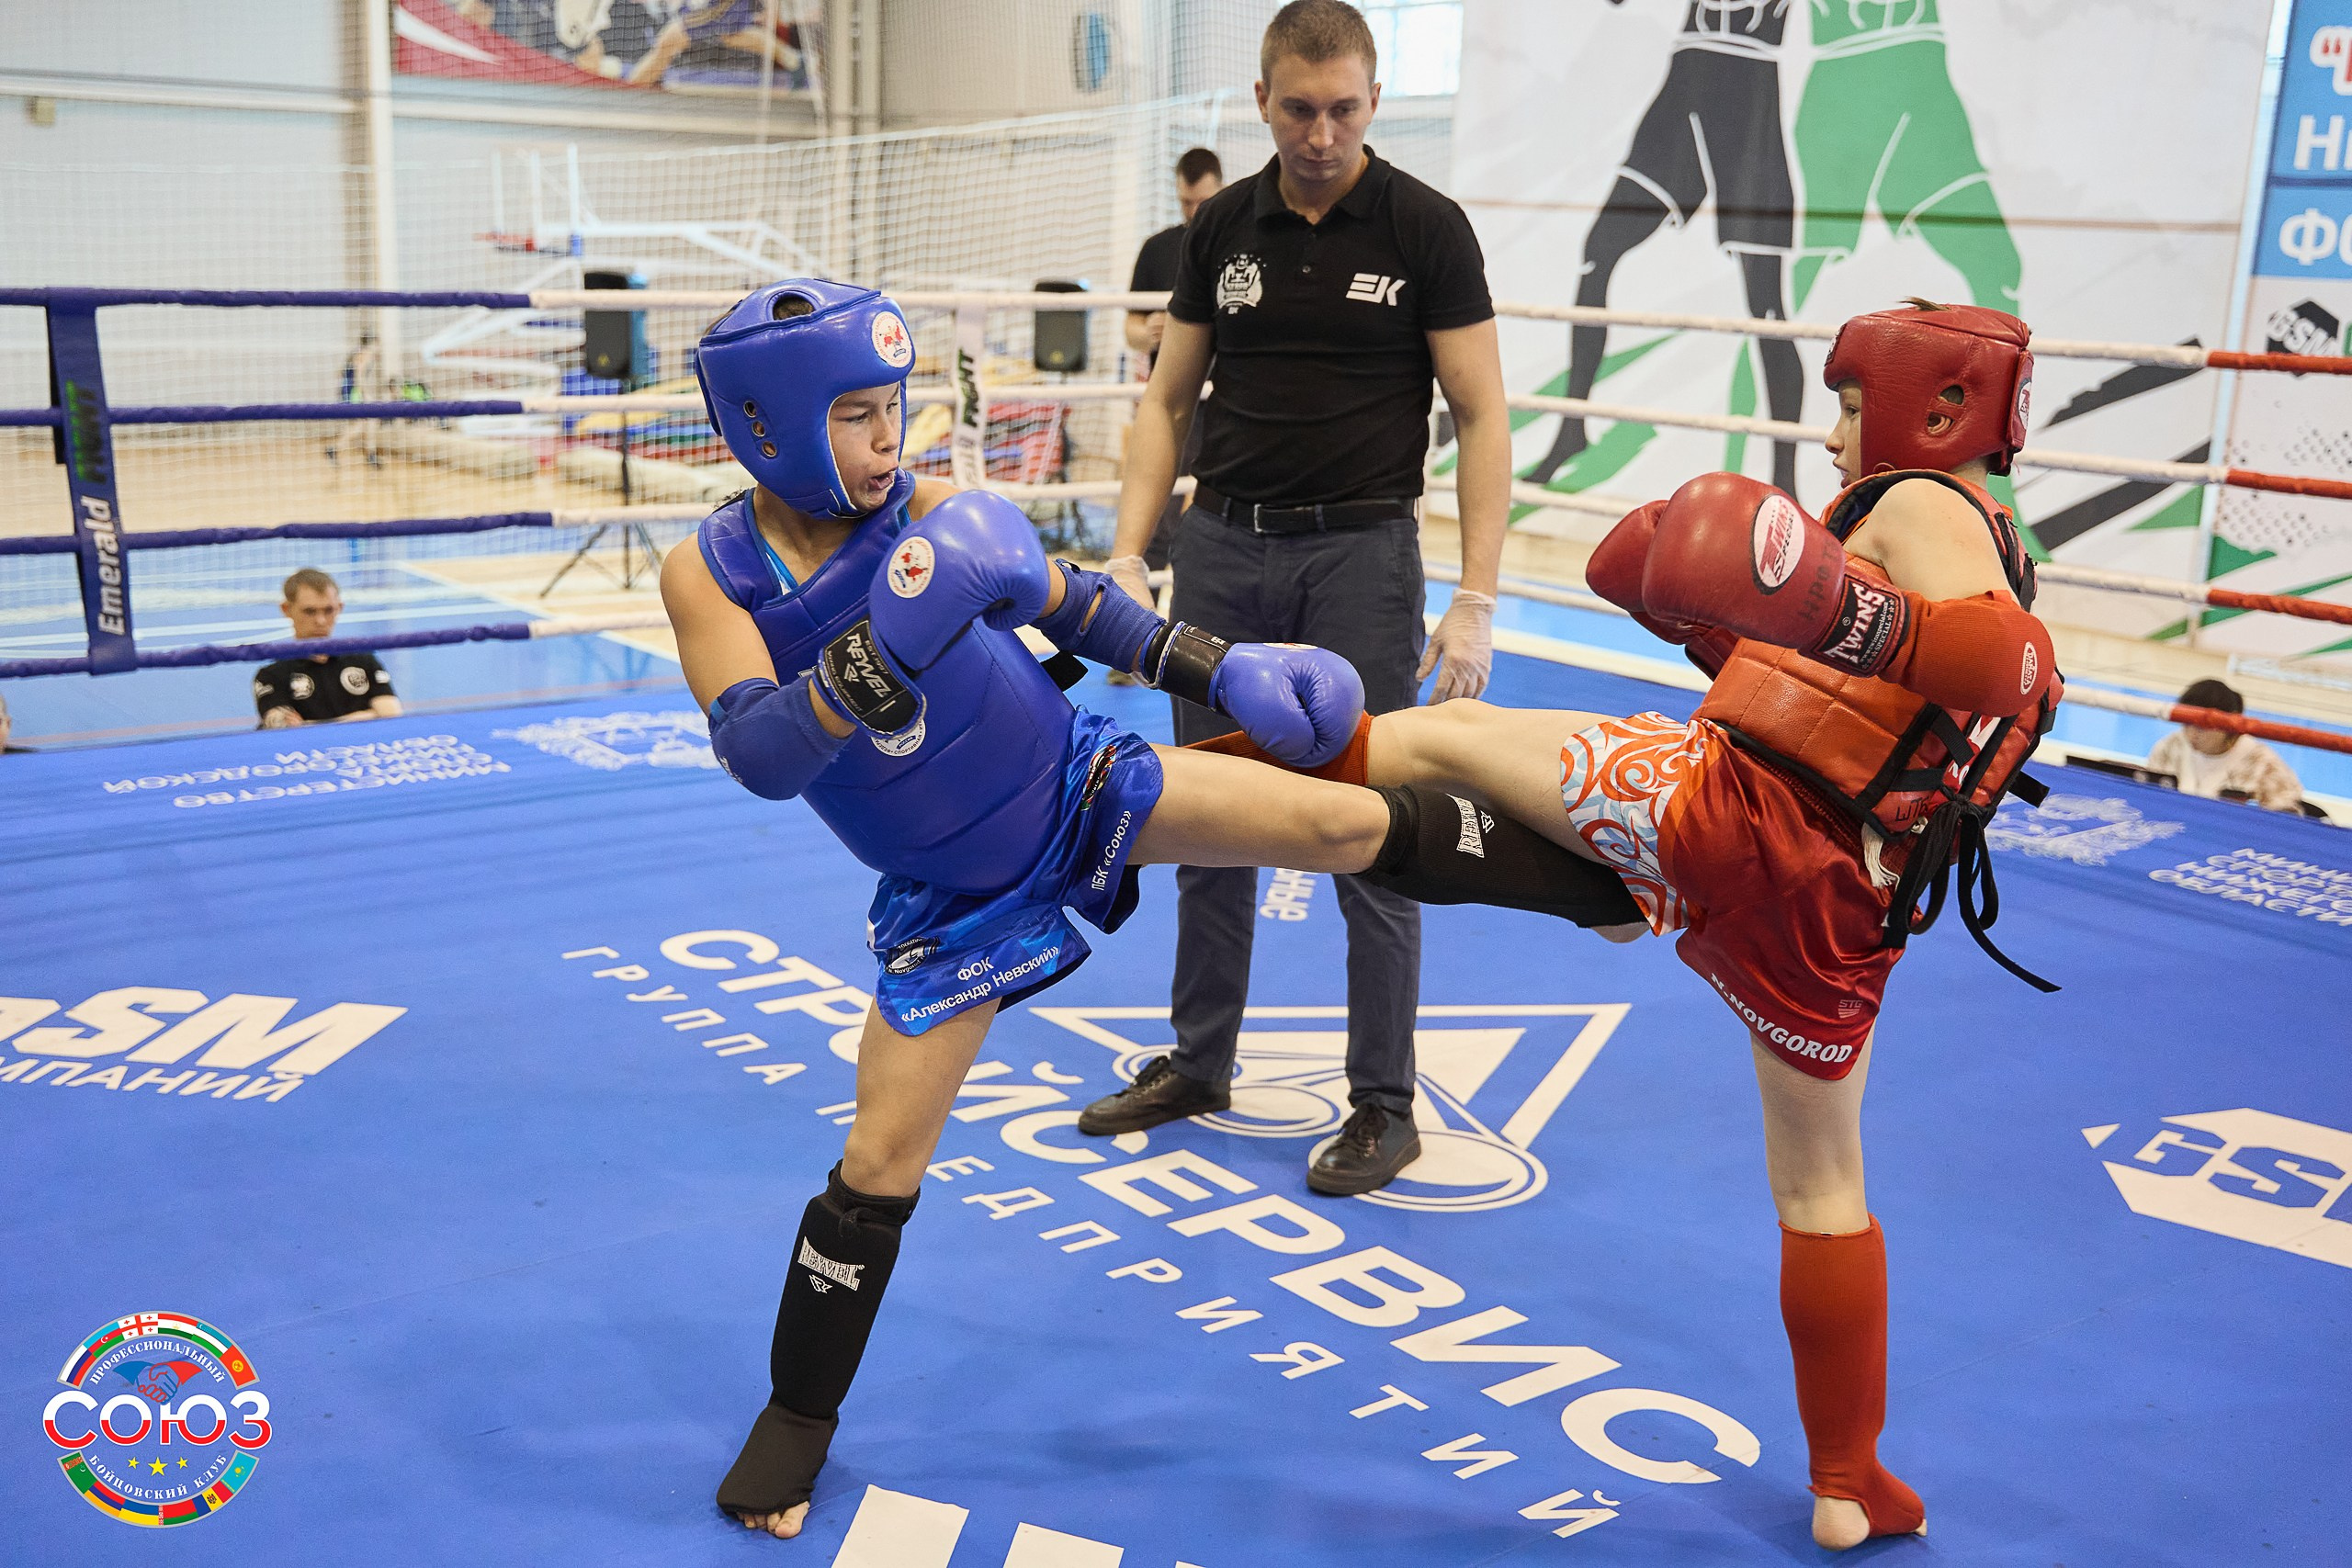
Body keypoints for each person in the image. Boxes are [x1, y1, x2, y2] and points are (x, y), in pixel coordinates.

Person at [662, 278, 1639, 1540]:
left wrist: (1221, 663)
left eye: (893, 408)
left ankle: (1601, 889)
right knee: (880, 1157)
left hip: (1078, 777)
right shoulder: (714, 573)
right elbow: (758, 753)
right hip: (954, 894)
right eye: (855, 415)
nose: (886, 439)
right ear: (768, 425)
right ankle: (798, 1415)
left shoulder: (943, 507)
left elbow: (1078, 607)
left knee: (1339, 820)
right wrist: (877, 651)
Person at [1211, 299, 2063, 1550]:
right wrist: (1715, 615)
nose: (1830, 438)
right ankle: (1847, 1477)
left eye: (1842, 403)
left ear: (1934, 412)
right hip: (1841, 903)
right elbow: (1876, 692)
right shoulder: (1990, 529)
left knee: (1432, 736)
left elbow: (2006, 659)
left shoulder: (1925, 502)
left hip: (1731, 812)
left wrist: (1849, 616)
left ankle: (1146, 797)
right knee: (1825, 1184)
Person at [1080, 0, 1513, 1197]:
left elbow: (1481, 412)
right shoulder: (1222, 225)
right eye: (1298, 110)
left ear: (1373, 101)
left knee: (1371, 824)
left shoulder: (1428, 228)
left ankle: (1385, 1101)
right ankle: (1200, 1059)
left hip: (1362, 559)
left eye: (1343, 110)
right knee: (1206, 811)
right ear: (1263, 103)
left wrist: (1475, 597)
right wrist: (1127, 557)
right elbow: (1168, 403)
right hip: (1222, 549)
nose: (1321, 133)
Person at [1527, 0, 1804, 496]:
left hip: (1748, 95)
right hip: (1683, 91)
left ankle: (1786, 480)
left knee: (1765, 304)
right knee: (1598, 252)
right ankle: (1572, 427)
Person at [1105, 144, 1225, 618]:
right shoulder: (1158, 248)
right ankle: (1136, 632)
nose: (1194, 214)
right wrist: (1149, 330)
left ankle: (1204, 632)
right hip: (1174, 398)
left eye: (1203, 204)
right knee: (1157, 515)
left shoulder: (1234, 242)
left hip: (1229, 398)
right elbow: (1131, 329)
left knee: (1214, 518)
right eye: (1186, 204)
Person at [253, 570, 402, 728]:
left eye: (329, 610)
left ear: (340, 608)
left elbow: (391, 715)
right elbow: (286, 730)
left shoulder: (364, 660)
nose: (321, 621)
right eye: (309, 611)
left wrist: (309, 724)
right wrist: (368, 715)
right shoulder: (271, 676)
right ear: (286, 609)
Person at [2147, 678, 2303, 812]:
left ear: (2227, 725)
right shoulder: (2169, 747)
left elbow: (2288, 818)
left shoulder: (2264, 764)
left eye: (2202, 727)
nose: (2192, 734)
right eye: (2186, 724)